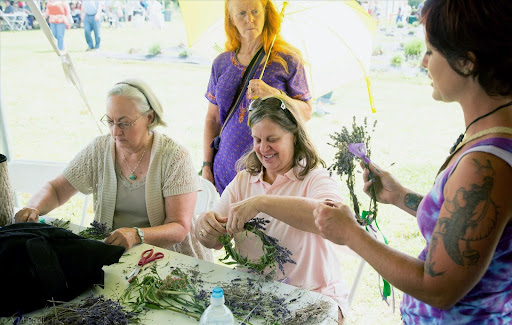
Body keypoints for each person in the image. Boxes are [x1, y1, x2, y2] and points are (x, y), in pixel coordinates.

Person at [314, 0, 512, 323]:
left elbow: (437, 288)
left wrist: (351, 233)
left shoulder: (486, 166)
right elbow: (460, 223)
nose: (423, 61)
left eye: (431, 51)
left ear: (466, 62)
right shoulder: (490, 136)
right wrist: (398, 195)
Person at [14, 78, 212, 261]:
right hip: (113, 252)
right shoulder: (99, 150)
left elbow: (179, 227)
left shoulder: (175, 157)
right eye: (110, 121)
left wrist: (137, 235)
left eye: (125, 123)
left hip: (167, 255)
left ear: (149, 118)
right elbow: (57, 190)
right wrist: (34, 208)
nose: (115, 131)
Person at [196, 95, 349, 323]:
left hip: (311, 297)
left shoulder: (314, 178)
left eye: (272, 139)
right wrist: (205, 226)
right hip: (252, 294)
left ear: (294, 137)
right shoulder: (244, 180)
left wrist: (262, 202)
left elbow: (332, 221)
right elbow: (212, 241)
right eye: (257, 139)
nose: (263, 148)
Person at [202, 0, 313, 195]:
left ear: (266, 14)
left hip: (270, 172)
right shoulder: (221, 64)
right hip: (224, 170)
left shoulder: (287, 60)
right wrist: (206, 166)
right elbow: (213, 119)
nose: (250, 19)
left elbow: (306, 112)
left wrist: (275, 94)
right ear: (231, 20)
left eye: (255, 11)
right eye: (241, 14)